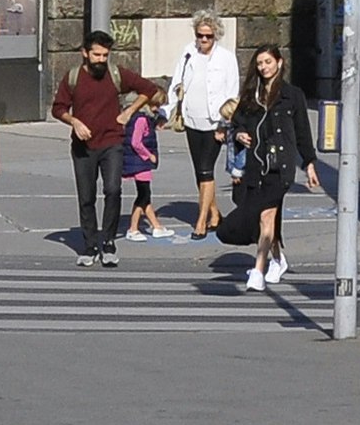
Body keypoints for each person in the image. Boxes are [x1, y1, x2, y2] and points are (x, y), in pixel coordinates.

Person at [49, 30, 163, 266]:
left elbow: (149, 89)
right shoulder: (73, 77)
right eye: (97, 55)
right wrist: (74, 121)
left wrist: (129, 112)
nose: (101, 59)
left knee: (113, 190)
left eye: (105, 55)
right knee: (86, 196)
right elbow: (58, 108)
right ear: (85, 53)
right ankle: (89, 246)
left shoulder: (115, 74)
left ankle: (109, 242)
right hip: (83, 146)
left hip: (112, 142)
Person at [225, 42, 310, 294]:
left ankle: (258, 270)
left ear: (279, 62)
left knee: (266, 216)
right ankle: (278, 259)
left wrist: (310, 162)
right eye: (260, 63)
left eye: (268, 62)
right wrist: (240, 134)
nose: (263, 67)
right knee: (261, 216)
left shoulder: (292, 95)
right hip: (256, 165)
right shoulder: (252, 94)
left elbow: (303, 132)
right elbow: (237, 122)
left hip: (281, 168)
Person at [163, 14, 241, 240]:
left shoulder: (226, 58)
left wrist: (225, 125)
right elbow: (176, 84)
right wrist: (166, 112)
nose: (204, 40)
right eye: (200, 35)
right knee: (200, 172)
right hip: (191, 120)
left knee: (207, 170)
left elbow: (232, 92)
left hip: (214, 122)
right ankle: (215, 215)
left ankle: (201, 222)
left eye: (208, 36)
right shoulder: (188, 53)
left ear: (216, 35)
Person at [120, 96, 163, 241]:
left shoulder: (142, 118)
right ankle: (133, 229)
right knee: (143, 195)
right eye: (156, 105)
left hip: (138, 161)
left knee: (145, 195)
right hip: (139, 162)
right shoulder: (141, 119)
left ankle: (157, 226)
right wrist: (148, 155)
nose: (157, 108)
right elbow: (136, 142)